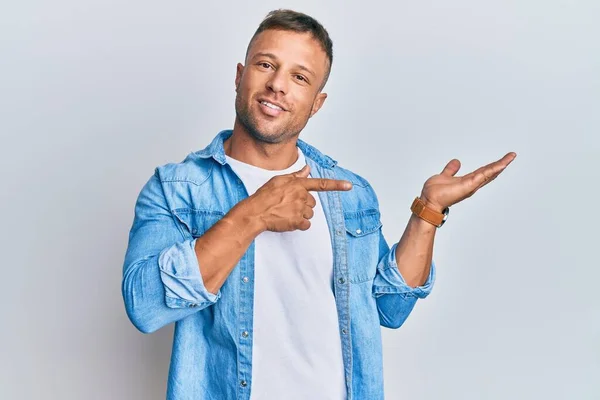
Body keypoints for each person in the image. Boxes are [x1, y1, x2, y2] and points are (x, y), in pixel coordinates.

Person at [121, 9, 516, 400]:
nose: (277, 85)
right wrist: (254, 214)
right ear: (240, 76)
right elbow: (144, 306)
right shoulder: (177, 189)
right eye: (265, 64)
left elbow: (390, 307)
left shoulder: (349, 192)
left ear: (316, 103)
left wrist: (427, 213)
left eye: (299, 77)